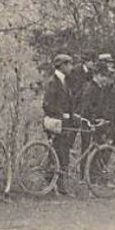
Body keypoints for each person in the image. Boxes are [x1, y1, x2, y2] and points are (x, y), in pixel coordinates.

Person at [42, 53, 76, 193]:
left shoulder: (64, 81)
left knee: (62, 153)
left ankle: (57, 184)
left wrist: (72, 116)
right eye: (69, 64)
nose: (71, 67)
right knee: (57, 153)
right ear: (61, 66)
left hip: (64, 123)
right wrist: (62, 115)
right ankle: (55, 185)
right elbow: (47, 105)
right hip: (55, 123)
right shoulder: (52, 82)